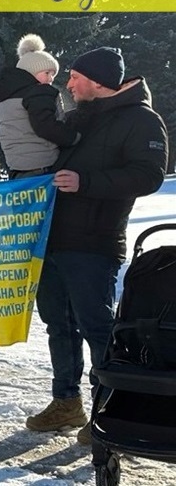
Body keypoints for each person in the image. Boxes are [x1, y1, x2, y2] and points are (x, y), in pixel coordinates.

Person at [26, 46, 168, 444]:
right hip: (53, 239)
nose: (68, 85)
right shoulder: (80, 118)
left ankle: (109, 411)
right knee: (59, 325)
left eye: (75, 77)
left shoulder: (142, 120)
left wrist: (85, 182)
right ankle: (66, 402)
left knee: (97, 328)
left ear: (98, 81)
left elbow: (149, 175)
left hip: (94, 243)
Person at [0, 34, 81, 179]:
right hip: (42, 162)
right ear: (31, 73)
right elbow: (45, 125)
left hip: (17, 165)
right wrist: (73, 137)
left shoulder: (5, 96)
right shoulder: (38, 93)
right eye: (47, 73)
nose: (51, 78)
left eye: (53, 75)